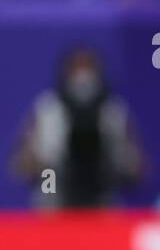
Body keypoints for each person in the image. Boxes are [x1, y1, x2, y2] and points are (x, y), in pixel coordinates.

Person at [11, 47, 144, 208]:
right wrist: (42, 164)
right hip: (55, 197)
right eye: (77, 67)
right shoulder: (47, 109)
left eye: (88, 66)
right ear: (66, 71)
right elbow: (22, 165)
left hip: (101, 200)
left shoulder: (113, 111)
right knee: (49, 181)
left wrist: (117, 162)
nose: (83, 75)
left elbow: (136, 168)